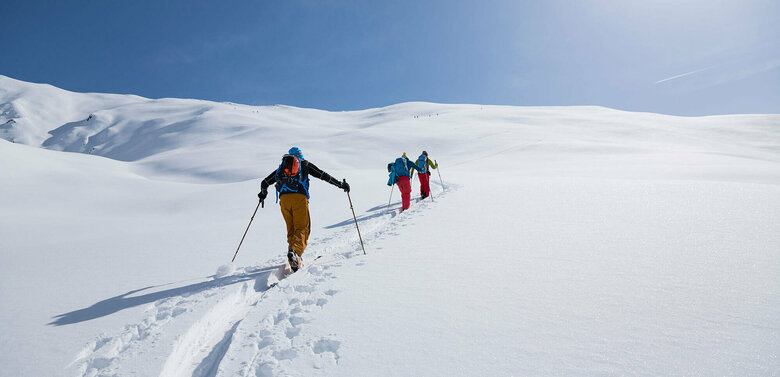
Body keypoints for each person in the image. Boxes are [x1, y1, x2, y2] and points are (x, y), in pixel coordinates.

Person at [258, 147, 350, 272]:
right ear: (300, 155)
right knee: (302, 228)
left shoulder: (282, 169)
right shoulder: (305, 164)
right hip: (299, 198)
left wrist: (263, 193)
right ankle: (295, 252)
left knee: (292, 228)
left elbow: (265, 182)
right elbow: (323, 175)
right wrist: (340, 184)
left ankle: (293, 256)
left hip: (284, 200)